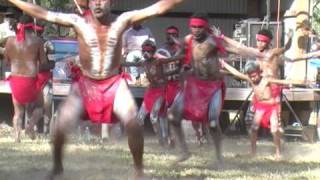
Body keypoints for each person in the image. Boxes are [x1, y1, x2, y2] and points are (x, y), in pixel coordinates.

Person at [8, 0, 185, 178]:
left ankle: (139, 171)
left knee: (134, 123)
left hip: (114, 83)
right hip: (86, 84)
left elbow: (158, 8)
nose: (98, 3)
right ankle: (57, 167)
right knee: (61, 125)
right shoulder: (77, 22)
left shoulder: (122, 20)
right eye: (93, 0)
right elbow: (41, 13)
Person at [166, 13, 267, 164]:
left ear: (205, 27)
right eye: (193, 26)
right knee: (173, 116)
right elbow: (179, 55)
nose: (196, 30)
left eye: (200, 27)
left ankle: (219, 156)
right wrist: (163, 63)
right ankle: (184, 151)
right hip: (194, 85)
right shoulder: (188, 40)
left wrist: (261, 54)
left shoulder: (213, 41)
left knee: (213, 123)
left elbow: (238, 49)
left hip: (212, 87)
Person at [221, 60, 304, 159]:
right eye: (251, 76)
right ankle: (253, 152)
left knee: (274, 129)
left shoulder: (266, 80)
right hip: (260, 107)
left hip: (271, 106)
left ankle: (278, 153)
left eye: (255, 75)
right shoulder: (250, 79)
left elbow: (281, 82)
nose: (253, 78)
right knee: (253, 128)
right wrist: (225, 64)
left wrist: (299, 82)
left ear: (259, 72)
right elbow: (236, 73)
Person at [3, 14, 54, 142]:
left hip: (15, 80)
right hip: (30, 81)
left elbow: (6, 63)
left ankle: (17, 137)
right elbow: (43, 63)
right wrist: (52, 63)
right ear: (32, 26)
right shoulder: (38, 41)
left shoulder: (9, 41)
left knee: (18, 112)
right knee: (40, 107)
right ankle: (30, 127)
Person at [123, 39, 178, 146]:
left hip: (161, 91)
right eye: (144, 51)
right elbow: (128, 63)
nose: (146, 53)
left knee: (154, 116)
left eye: (148, 51)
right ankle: (142, 140)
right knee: (139, 117)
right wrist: (116, 62)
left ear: (153, 52)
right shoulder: (143, 62)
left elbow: (173, 59)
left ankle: (163, 140)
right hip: (151, 91)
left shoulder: (158, 61)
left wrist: (185, 56)